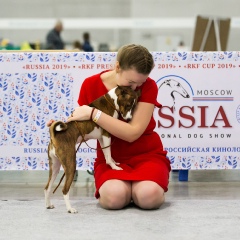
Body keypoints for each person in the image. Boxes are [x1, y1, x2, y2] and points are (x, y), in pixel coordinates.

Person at [66, 44, 171, 210]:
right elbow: (85, 133)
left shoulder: (149, 86)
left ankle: (141, 189)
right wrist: (63, 130)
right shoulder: (90, 85)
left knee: (148, 197)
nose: (136, 88)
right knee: (114, 198)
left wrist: (94, 113)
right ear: (117, 67)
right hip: (110, 159)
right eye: (130, 82)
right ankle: (130, 191)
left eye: (140, 83)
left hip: (147, 155)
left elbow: (133, 133)